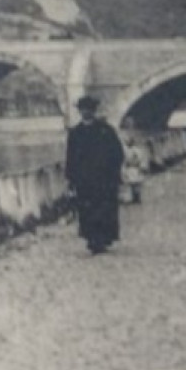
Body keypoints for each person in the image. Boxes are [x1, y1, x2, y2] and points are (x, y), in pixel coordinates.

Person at [65, 95, 125, 255]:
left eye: (89, 109)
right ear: (79, 111)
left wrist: (113, 172)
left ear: (94, 111)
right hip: (84, 181)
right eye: (83, 109)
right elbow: (70, 157)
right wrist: (71, 179)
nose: (86, 112)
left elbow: (118, 153)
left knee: (104, 209)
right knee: (87, 210)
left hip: (104, 179)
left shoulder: (105, 130)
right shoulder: (75, 133)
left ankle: (102, 238)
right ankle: (92, 238)